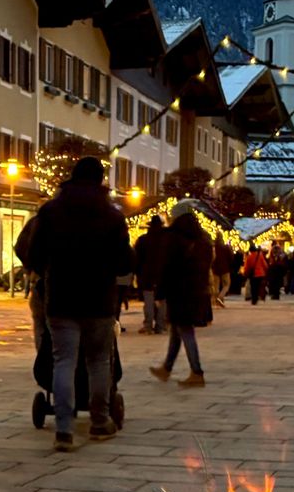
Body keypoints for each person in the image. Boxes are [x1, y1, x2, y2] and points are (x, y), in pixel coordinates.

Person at [24, 157, 132, 451]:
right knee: (98, 361)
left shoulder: (51, 211)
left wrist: (49, 268)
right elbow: (124, 263)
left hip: (61, 297)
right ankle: (99, 421)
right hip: (99, 299)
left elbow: (33, 255)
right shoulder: (113, 216)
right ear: (100, 181)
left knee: (63, 360)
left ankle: (63, 429)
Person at [150, 207, 213, 387]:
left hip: (179, 291)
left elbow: (167, 267)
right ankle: (166, 368)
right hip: (197, 290)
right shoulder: (203, 239)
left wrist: (160, 292)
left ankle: (197, 372)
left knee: (185, 330)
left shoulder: (174, 238)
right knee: (177, 330)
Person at [134, 214, 168, 334]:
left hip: (146, 275)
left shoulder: (143, 240)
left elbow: (137, 259)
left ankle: (148, 325)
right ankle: (161, 325)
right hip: (163, 275)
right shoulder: (166, 240)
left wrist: (137, 273)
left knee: (148, 301)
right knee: (163, 302)